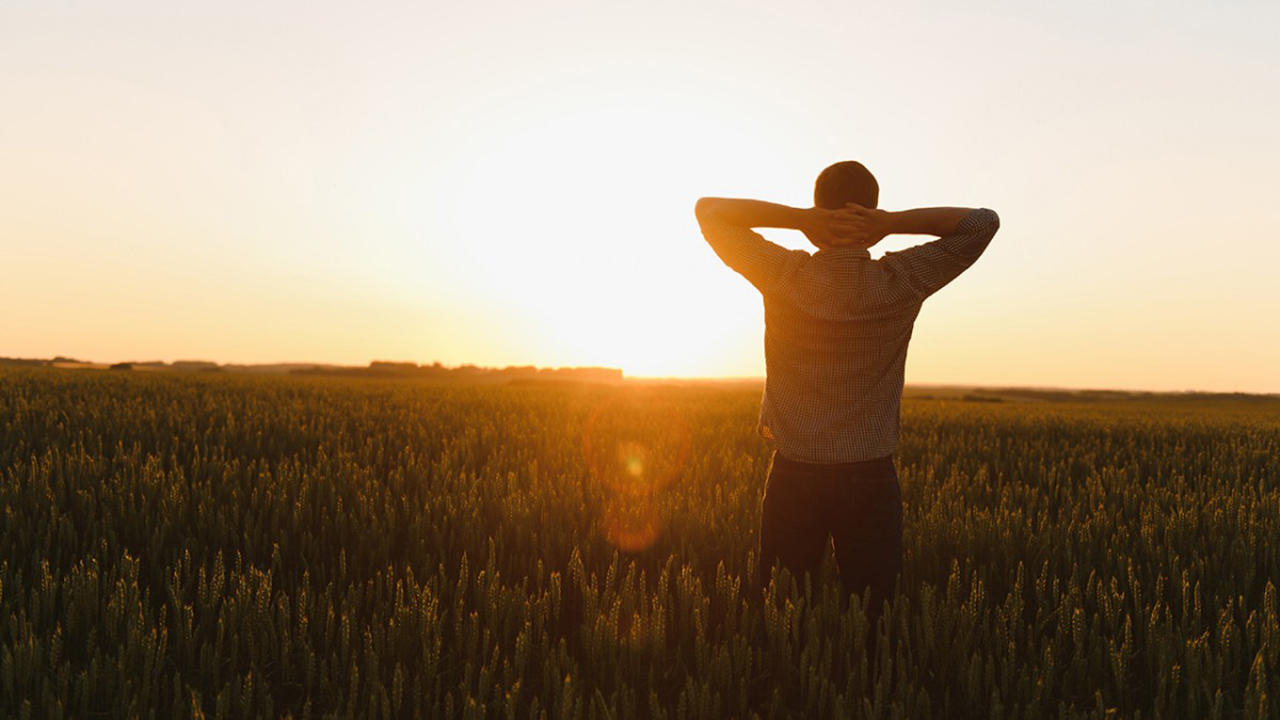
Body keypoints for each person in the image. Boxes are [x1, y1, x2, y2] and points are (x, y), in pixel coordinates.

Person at [694, 161, 1000, 625]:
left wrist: (800, 219)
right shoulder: (902, 279)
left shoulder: (782, 273)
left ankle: (785, 690)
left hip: (794, 471)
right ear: (872, 220)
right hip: (871, 475)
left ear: (818, 216)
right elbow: (983, 222)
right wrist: (892, 224)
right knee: (878, 615)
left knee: (781, 612)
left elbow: (709, 211)